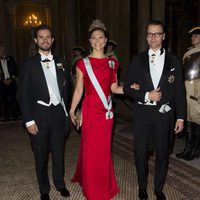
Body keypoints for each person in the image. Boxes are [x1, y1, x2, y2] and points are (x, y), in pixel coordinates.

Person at [123, 20, 186, 200]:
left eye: (157, 34)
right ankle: (142, 187)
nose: (153, 37)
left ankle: (158, 188)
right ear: (146, 37)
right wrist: (146, 95)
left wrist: (180, 117)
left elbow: (179, 91)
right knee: (140, 151)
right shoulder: (138, 59)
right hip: (142, 114)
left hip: (165, 115)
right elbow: (127, 87)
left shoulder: (174, 60)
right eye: (150, 34)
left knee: (163, 151)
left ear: (163, 37)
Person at [69, 19, 124, 200]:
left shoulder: (113, 63)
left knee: (103, 149)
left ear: (106, 40)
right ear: (90, 41)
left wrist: (132, 89)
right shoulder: (82, 63)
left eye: (101, 37)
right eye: (94, 38)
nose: (98, 41)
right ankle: (92, 187)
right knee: (91, 148)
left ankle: (104, 183)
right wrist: (72, 109)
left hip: (107, 112)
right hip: (91, 110)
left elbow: (114, 88)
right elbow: (79, 89)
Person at [18, 25, 71, 200]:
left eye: (48, 36)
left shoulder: (61, 62)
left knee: (59, 153)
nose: (45, 40)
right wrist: (29, 121)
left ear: (53, 40)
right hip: (39, 115)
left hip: (58, 114)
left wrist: (68, 111)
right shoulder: (28, 65)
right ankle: (44, 188)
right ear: (36, 40)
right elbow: (23, 95)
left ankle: (60, 183)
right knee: (40, 154)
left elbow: (67, 89)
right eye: (41, 37)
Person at [176, 26, 200, 161]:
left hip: (197, 88)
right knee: (189, 119)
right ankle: (190, 149)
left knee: (196, 119)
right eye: (192, 36)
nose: (193, 37)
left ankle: (193, 150)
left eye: (196, 35)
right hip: (188, 86)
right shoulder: (189, 53)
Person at [0, 43, 19, 121]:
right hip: (2, 83)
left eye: (3, 49)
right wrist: (2, 80)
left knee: (13, 99)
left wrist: (12, 78)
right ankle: (6, 117)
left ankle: (15, 116)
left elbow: (15, 69)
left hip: (11, 81)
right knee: (4, 100)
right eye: (0, 50)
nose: (2, 51)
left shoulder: (10, 58)